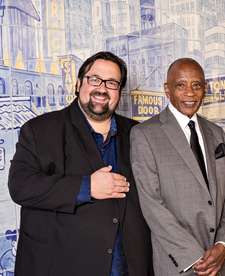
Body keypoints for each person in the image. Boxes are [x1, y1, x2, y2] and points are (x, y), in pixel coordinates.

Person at [8, 51, 154, 276]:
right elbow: (21, 186)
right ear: (78, 84)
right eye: (94, 79)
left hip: (127, 268)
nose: (102, 89)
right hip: (62, 266)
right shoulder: (40, 130)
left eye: (112, 83)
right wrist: (87, 187)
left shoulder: (140, 133)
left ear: (119, 92)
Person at [130, 58, 225, 276]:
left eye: (196, 85)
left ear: (204, 89)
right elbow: (152, 205)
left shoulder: (216, 132)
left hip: (220, 264)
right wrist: (195, 257)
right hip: (179, 265)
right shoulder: (145, 134)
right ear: (167, 90)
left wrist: (223, 246)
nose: (190, 92)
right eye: (181, 85)